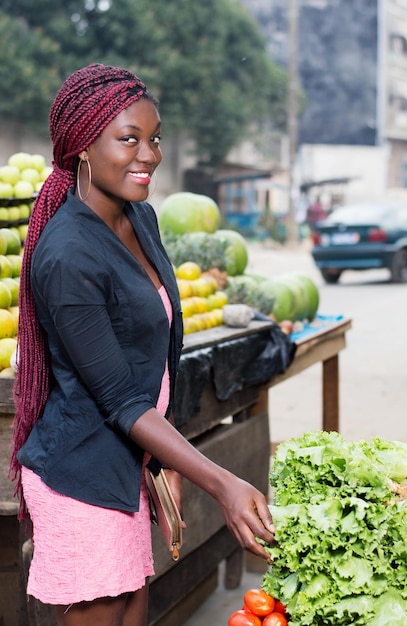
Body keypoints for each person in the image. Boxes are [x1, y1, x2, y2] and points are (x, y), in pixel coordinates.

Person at [9, 64, 275, 626]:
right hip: (81, 478)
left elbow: (156, 355)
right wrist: (222, 483)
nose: (149, 155)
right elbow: (120, 398)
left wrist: (161, 456)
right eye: (128, 139)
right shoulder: (67, 254)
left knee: (135, 612)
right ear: (82, 145)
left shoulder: (141, 218)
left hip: (128, 468)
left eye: (153, 138)